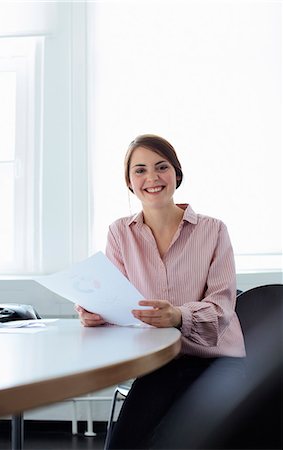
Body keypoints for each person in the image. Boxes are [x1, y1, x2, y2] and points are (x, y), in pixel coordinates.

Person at [76, 134, 246, 449]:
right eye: (139, 170)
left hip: (216, 361)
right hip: (158, 363)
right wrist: (96, 313)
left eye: (161, 167)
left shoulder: (214, 230)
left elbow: (223, 307)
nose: (151, 177)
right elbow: (118, 303)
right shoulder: (119, 233)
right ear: (128, 181)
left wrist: (178, 315)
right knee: (123, 444)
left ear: (176, 174)